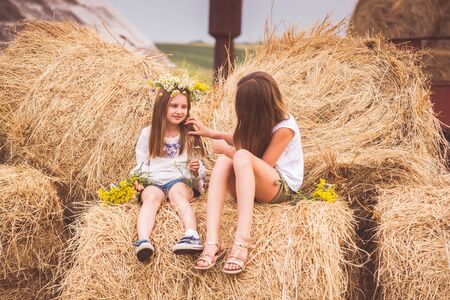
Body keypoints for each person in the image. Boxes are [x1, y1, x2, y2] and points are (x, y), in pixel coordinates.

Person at [186, 71, 304, 274]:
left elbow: (262, 164)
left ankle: (242, 242)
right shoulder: (264, 121)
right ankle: (212, 242)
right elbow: (246, 140)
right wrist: (212, 133)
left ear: (256, 108)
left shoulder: (285, 128)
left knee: (236, 156)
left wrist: (228, 149)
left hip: (281, 187)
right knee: (224, 162)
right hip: (255, 183)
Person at [132, 75, 208, 263]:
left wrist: (196, 169)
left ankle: (191, 234)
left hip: (180, 179)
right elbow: (141, 164)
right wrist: (138, 180)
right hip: (154, 180)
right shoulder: (148, 133)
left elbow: (199, 165)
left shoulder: (190, 133)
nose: (179, 111)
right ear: (162, 107)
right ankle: (143, 240)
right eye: (174, 106)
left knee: (177, 195)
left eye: (184, 107)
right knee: (150, 198)